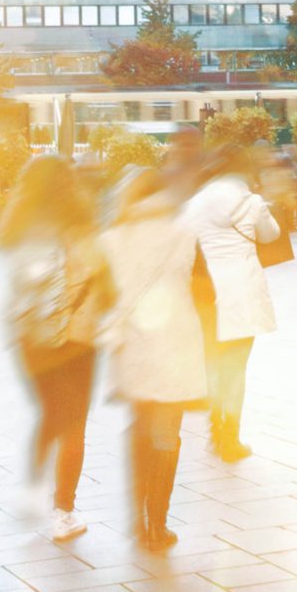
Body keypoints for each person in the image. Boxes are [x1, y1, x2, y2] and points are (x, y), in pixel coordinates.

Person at [0, 154, 114, 542]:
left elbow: (18, 289)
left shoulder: (17, 230)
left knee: (50, 413)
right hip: (75, 340)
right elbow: (107, 286)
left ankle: (32, 490)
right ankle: (62, 512)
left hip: (29, 340)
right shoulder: (82, 229)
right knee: (74, 425)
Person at [97, 168, 203, 552]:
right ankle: (158, 524)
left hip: (133, 347)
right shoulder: (184, 233)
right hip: (175, 345)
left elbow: (104, 296)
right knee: (166, 436)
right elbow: (204, 289)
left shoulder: (109, 239)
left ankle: (136, 519)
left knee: (139, 428)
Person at [182, 144, 281, 462]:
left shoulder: (194, 203)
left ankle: (215, 427)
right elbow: (271, 235)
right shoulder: (252, 202)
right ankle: (230, 438)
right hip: (242, 293)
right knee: (236, 368)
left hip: (208, 292)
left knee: (213, 362)